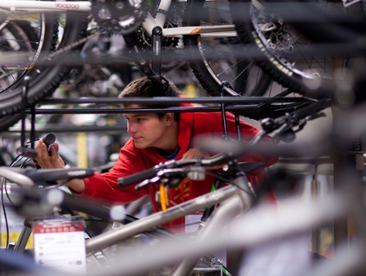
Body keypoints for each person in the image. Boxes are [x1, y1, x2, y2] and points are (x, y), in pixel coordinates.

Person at [35, 76, 278, 230]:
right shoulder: (137, 149)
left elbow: (269, 150)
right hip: (189, 250)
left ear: (168, 117)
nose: (131, 130)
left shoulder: (207, 118)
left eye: (140, 119)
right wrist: (65, 174)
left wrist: (213, 153)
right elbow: (114, 187)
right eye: (128, 120)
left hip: (252, 234)